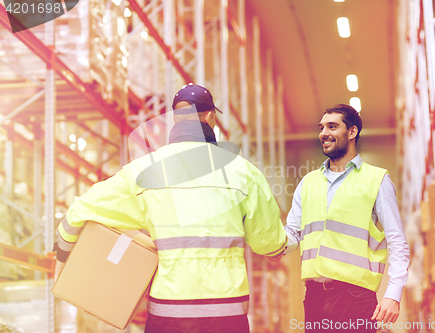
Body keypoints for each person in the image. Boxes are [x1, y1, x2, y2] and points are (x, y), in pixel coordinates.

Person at [53, 83, 288, 333]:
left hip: (169, 313)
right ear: (210, 117)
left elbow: (79, 211)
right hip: (226, 313)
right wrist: (283, 246)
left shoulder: (143, 170)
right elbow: (269, 244)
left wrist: (63, 254)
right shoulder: (244, 172)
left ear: (175, 118)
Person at [281, 104, 410, 332]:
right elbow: (291, 234)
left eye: (332, 126)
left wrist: (393, 294)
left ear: (352, 132)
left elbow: (397, 241)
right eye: (321, 128)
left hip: (355, 297)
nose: (324, 133)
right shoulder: (307, 182)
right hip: (314, 298)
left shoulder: (377, 180)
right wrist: (268, 242)